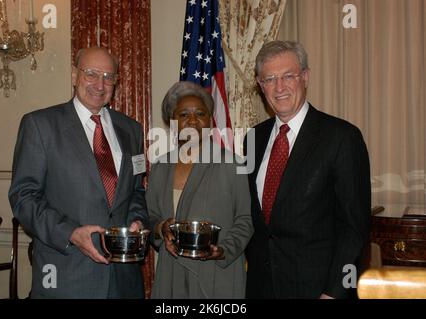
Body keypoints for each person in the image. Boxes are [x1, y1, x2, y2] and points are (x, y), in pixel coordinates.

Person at [8, 47, 148, 298]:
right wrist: (70, 233)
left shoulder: (132, 130)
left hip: (123, 281)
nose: (100, 84)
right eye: (91, 74)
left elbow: (136, 191)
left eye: (108, 76)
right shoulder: (40, 126)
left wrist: (137, 221)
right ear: (74, 75)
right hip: (65, 277)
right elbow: (23, 198)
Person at [245, 40, 371, 299]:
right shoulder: (252, 139)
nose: (279, 87)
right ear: (260, 85)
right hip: (260, 288)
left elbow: (354, 227)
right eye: (269, 79)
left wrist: (335, 291)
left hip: (318, 290)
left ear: (305, 77)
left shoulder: (342, 138)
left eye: (288, 76)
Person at [146, 81, 253, 298]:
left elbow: (245, 219)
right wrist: (161, 228)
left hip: (217, 273)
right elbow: (149, 216)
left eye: (201, 113)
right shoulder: (159, 167)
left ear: (210, 121)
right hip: (171, 273)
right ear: (172, 121)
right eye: (184, 114)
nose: (193, 120)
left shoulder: (234, 164)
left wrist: (223, 250)